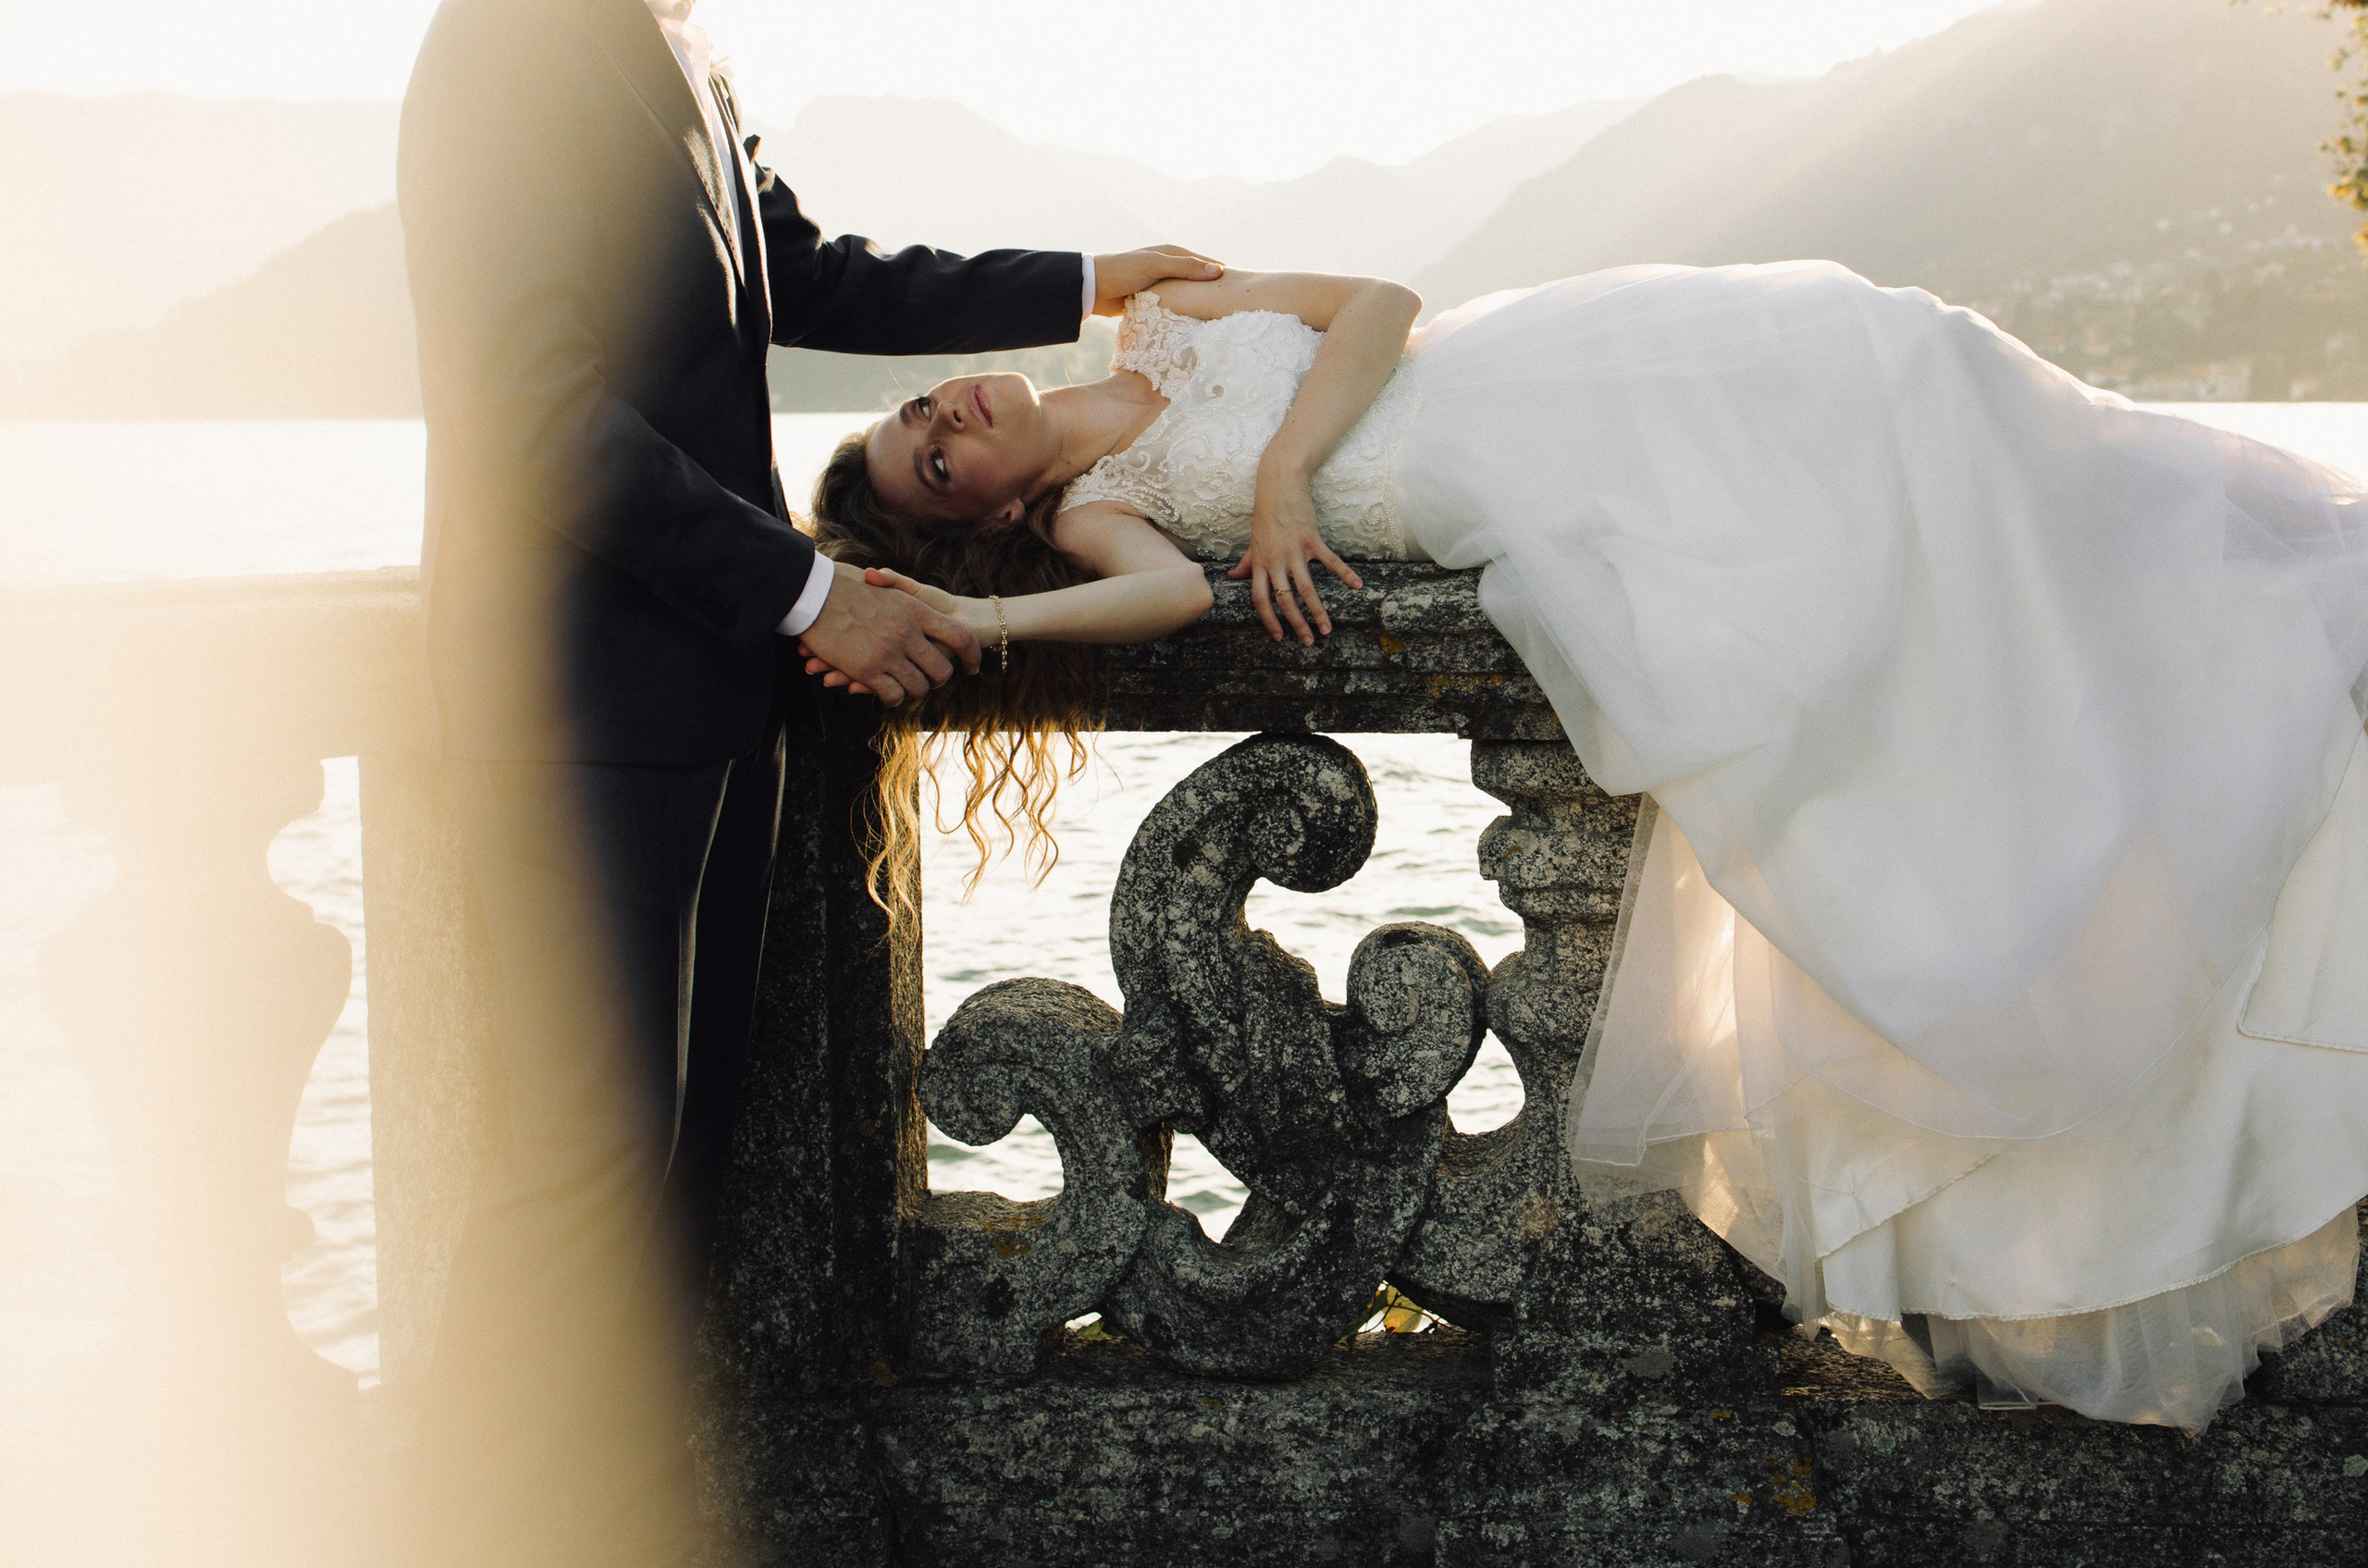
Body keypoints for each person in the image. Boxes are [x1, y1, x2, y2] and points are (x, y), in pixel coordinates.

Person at [810, 258, 2368, 1436]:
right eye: (936, 465)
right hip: (1512, 482)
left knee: (1902, 357)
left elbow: (1380, 301)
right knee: (1861, 536)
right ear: (994, 514)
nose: (946, 416)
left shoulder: (1160, 318)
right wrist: (980, 619)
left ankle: (2234, 565)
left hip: (1542, 367)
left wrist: (1283, 472)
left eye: (918, 413)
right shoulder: (1104, 513)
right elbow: (1170, 601)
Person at [396, 0, 1217, 1568]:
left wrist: (1084, 270)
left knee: (660, 1195)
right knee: (568, 1194)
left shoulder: (677, 49)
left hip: (700, 719)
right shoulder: (507, 39)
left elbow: (805, 261)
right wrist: (805, 593)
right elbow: (530, 412)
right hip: (577, 712)